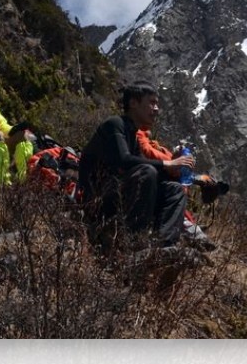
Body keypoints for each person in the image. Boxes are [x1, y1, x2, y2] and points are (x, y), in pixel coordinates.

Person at [78, 81, 194, 248]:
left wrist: (182, 173)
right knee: (147, 172)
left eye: (157, 104)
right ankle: (132, 241)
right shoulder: (114, 124)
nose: (156, 109)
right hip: (98, 201)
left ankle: (165, 245)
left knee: (175, 189)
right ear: (133, 103)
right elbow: (124, 160)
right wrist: (167, 163)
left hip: (119, 195)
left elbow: (147, 167)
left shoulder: (133, 134)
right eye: (151, 103)